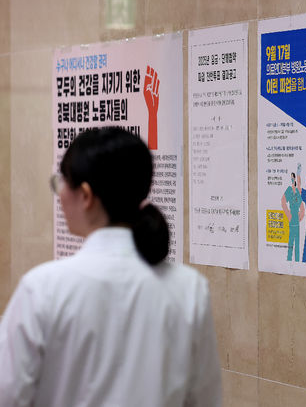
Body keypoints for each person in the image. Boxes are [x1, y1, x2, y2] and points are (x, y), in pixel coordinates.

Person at [0, 127, 221, 406]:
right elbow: (204, 399)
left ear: (86, 195)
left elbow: (8, 395)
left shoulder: (42, 289)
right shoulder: (190, 289)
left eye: (62, 183)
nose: (60, 194)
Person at [282, 164, 305, 261]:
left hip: (297, 220)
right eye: (291, 178)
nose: (292, 179)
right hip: (292, 219)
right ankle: (288, 260)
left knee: (297, 244)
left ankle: (297, 262)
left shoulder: (298, 193)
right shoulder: (289, 190)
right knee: (291, 242)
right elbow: (283, 201)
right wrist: (288, 215)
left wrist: (301, 214)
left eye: (293, 178)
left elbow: (302, 205)